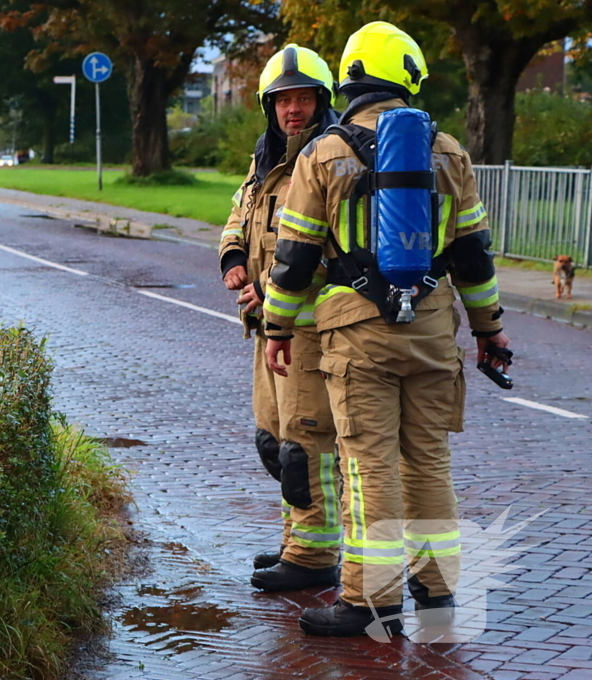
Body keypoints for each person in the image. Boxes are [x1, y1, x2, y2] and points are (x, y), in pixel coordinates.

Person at [263, 22, 511, 637]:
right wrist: (489, 329)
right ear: (407, 75)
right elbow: (474, 255)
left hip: (356, 336)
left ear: (348, 80)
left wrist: (276, 327)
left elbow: (295, 259)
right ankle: (437, 591)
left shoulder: (323, 154)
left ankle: (368, 601)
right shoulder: (448, 150)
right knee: (428, 463)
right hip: (432, 329)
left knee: (367, 466)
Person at [218, 45, 342, 592]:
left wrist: (269, 292)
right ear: (270, 107)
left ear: (322, 101)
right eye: (283, 100)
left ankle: (315, 558)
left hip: (308, 329)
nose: (293, 109)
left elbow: (325, 250)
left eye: (303, 98)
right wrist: (233, 257)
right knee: (273, 441)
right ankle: (297, 539)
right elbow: (239, 214)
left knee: (305, 447)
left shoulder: (331, 159)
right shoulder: (265, 158)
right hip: (268, 327)